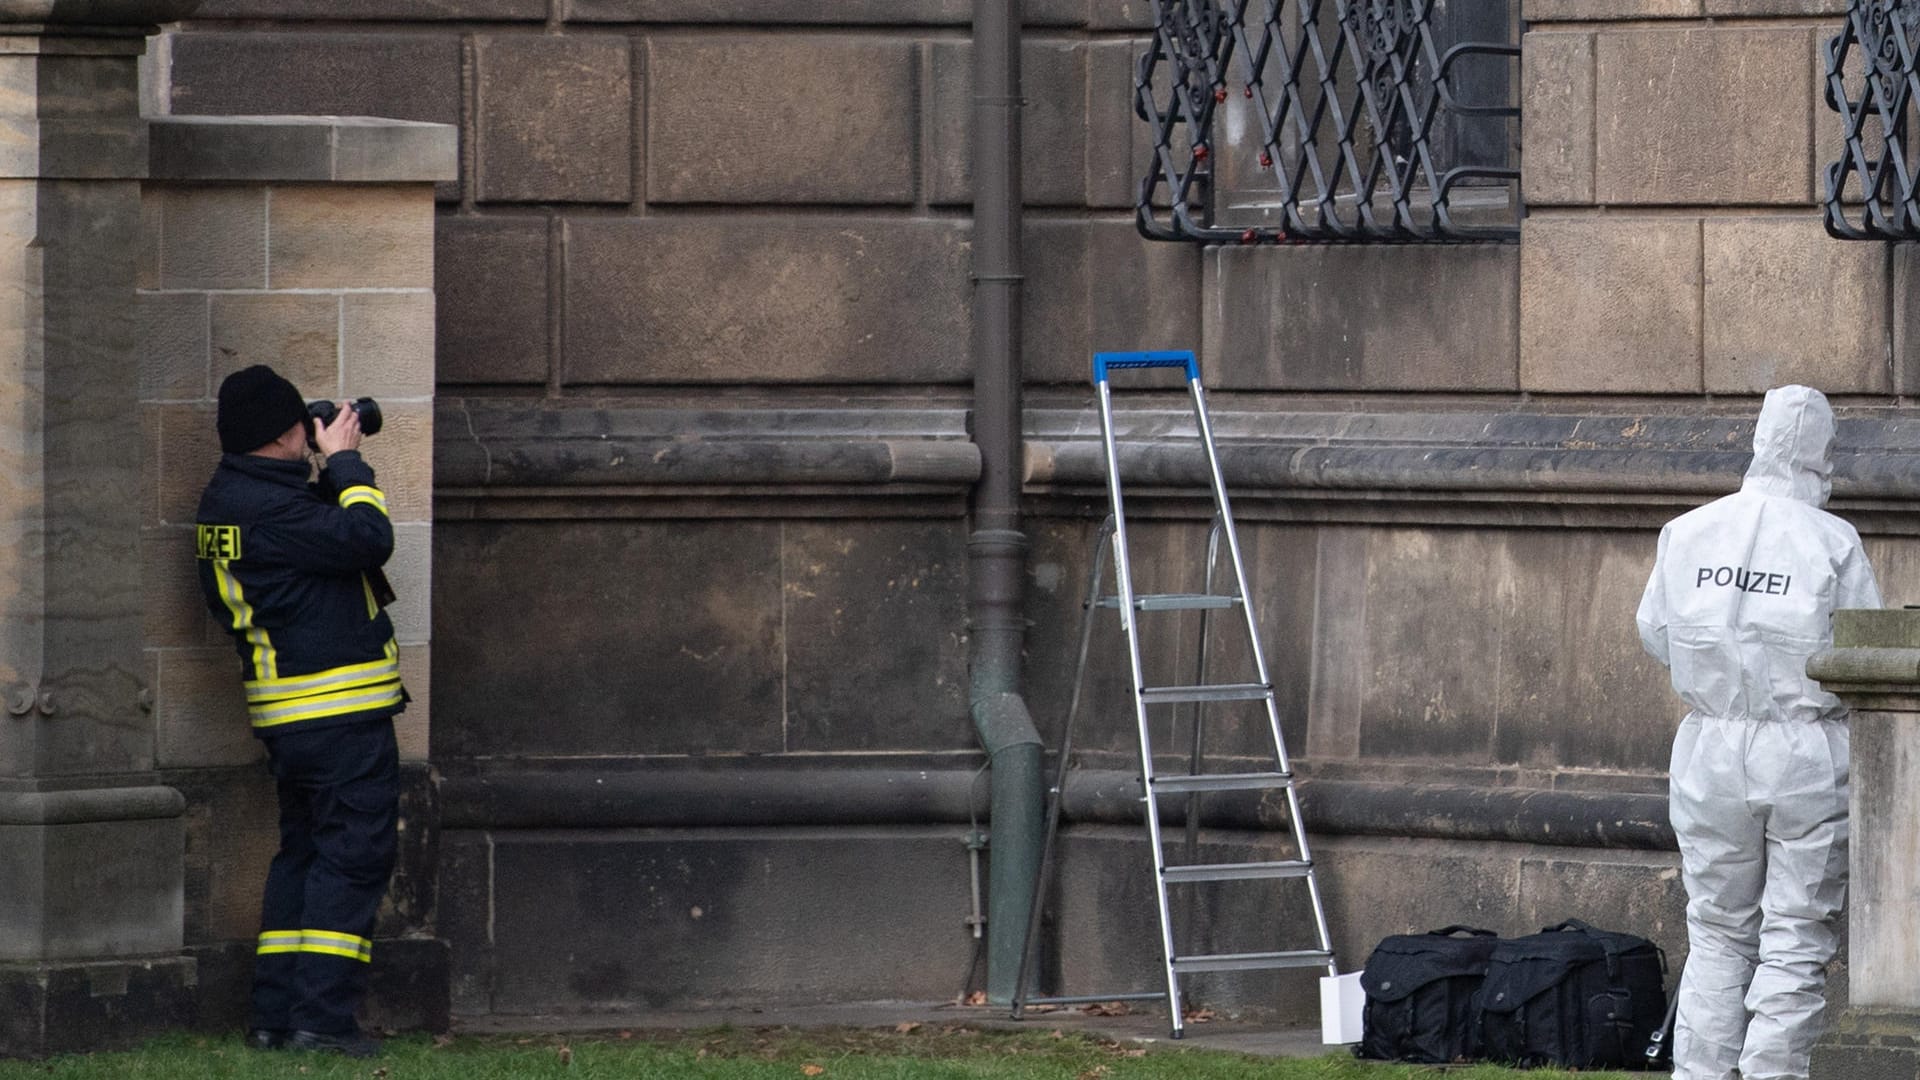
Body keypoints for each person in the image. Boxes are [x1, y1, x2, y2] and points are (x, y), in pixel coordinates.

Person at [1636, 385, 1881, 1080]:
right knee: (1795, 938)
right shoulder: (1832, 540)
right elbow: (1863, 650)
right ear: (1820, 452)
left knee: (1716, 931)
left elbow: (1656, 632)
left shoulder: (1690, 530)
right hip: (1804, 749)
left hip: (1710, 750)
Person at [195, 364, 407, 1059]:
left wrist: (320, 472)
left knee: (304, 859)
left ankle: (274, 1018)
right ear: (289, 433)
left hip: (289, 719)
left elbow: (307, 541)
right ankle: (323, 1023)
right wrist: (346, 461)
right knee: (352, 861)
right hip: (339, 715)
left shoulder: (227, 502)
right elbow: (367, 538)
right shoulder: (274, 512)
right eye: (302, 431)